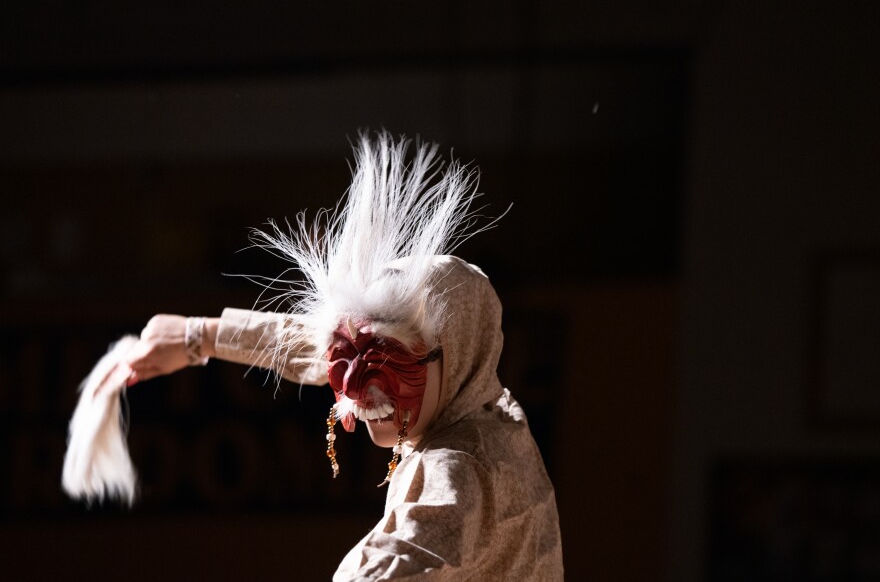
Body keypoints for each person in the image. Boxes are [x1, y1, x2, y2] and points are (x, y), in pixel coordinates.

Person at [123, 132, 564, 580]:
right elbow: (326, 344)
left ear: (457, 358)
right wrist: (199, 336)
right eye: (346, 359)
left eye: (387, 361)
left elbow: (395, 559)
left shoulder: (458, 465)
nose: (355, 388)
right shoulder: (486, 408)